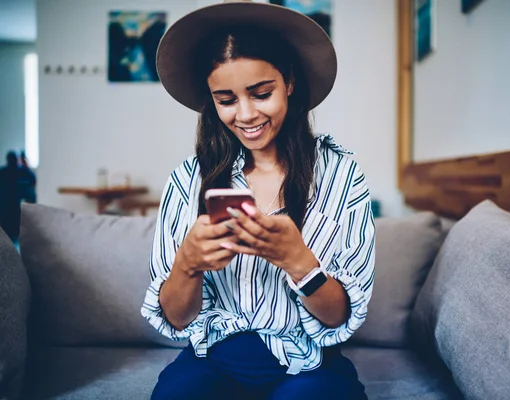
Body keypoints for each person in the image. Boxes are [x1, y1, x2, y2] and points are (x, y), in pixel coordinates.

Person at [140, 1, 376, 399]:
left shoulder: (343, 176)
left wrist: (298, 262)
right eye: (226, 100)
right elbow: (177, 319)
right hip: (213, 360)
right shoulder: (187, 180)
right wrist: (188, 264)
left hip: (309, 363)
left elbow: (338, 318)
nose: (246, 115)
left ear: (290, 82)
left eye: (261, 93)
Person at [0, 151, 37, 244]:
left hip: (5, 212)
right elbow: (33, 181)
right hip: (16, 211)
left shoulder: (3, 172)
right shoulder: (23, 172)